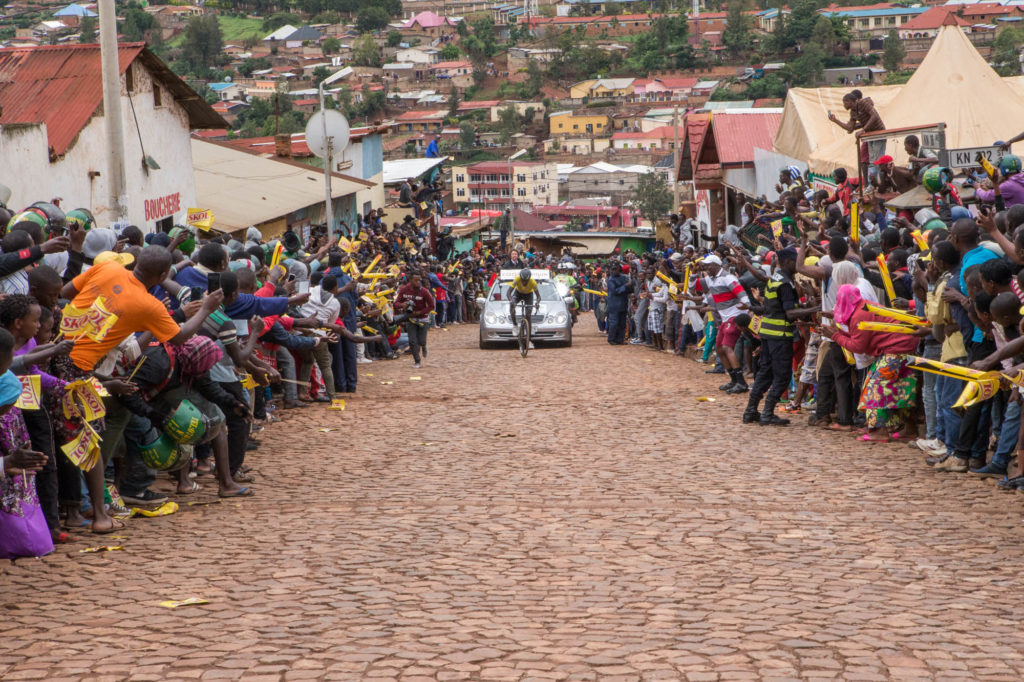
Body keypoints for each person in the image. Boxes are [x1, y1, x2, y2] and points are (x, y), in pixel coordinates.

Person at [742, 248, 819, 426]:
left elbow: (774, 306)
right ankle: (767, 412)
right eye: (795, 262)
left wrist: (806, 304)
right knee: (782, 375)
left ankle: (750, 410)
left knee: (765, 373)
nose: (797, 266)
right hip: (779, 335)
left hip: (768, 334)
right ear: (786, 262)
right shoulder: (785, 283)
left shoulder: (775, 279)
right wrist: (814, 309)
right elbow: (790, 313)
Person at [827, 89, 885, 178]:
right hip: (869, 136)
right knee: (872, 160)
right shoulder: (853, 112)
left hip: (878, 133)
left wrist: (863, 129)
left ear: (850, 101)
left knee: (878, 159)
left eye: (845, 103)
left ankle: (882, 181)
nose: (844, 105)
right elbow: (850, 128)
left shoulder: (863, 103)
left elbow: (874, 115)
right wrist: (835, 121)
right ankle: (873, 183)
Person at [394, 271, 434, 369]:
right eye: (416, 280)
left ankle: (424, 346)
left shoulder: (424, 291)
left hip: (423, 319)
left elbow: (431, 306)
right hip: (411, 319)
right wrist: (402, 305)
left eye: (419, 280)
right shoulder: (404, 290)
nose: (418, 282)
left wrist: (421, 312)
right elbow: (396, 303)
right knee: (412, 341)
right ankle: (417, 361)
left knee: (422, 341)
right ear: (410, 280)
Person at [507, 268, 539, 348]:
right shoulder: (517, 278)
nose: (524, 282)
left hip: (529, 295)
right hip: (518, 294)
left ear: (529, 279)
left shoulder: (533, 282)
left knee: (528, 315)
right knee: (512, 305)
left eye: (526, 281)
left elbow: (538, 296)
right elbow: (508, 292)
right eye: (523, 280)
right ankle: (515, 325)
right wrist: (511, 301)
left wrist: (537, 303)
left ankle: (529, 340)